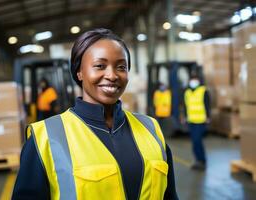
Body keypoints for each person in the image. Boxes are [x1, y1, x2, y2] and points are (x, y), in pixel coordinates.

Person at [12, 28, 178, 200]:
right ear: (79, 72)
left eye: (121, 67)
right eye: (100, 66)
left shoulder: (151, 129)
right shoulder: (45, 138)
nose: (112, 75)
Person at [184, 75, 210, 170]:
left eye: (195, 80)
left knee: (197, 140)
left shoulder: (203, 90)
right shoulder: (187, 92)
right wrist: (185, 117)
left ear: (198, 81)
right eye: (192, 80)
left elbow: (207, 104)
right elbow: (186, 106)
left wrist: (208, 117)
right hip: (191, 120)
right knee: (194, 142)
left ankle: (202, 160)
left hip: (201, 120)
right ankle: (198, 161)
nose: (193, 82)